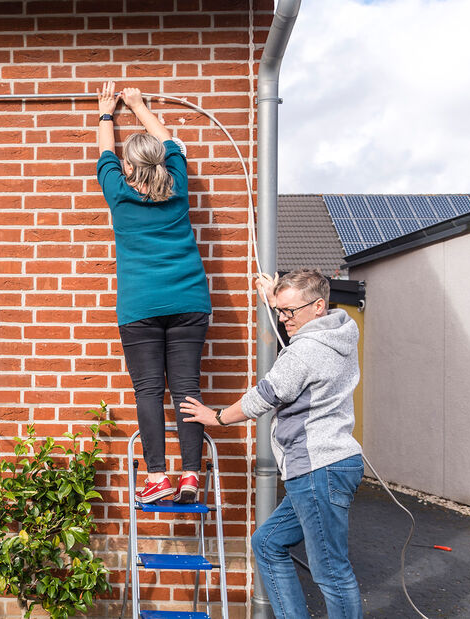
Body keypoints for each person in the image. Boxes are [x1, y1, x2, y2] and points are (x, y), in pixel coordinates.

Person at [180, 268, 364, 619]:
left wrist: (216, 417)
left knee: (331, 572)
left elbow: (263, 397)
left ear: (319, 306)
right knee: (267, 543)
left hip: (317, 469)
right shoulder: (341, 333)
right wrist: (275, 299)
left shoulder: (304, 351)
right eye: (280, 311)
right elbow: (302, 335)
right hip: (331, 465)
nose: (283, 319)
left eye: (289, 312)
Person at [95, 81, 212, 504]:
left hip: (140, 306)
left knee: (148, 390)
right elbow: (168, 141)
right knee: (187, 389)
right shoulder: (178, 187)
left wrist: (108, 111)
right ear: (162, 165)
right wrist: (140, 106)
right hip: (189, 301)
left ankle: (158, 476)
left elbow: (105, 153)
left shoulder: (119, 196)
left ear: (129, 168)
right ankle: (191, 476)